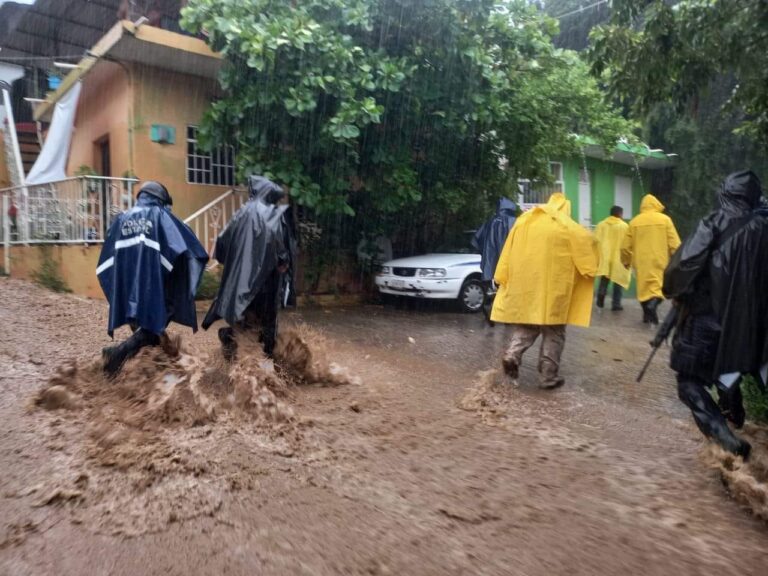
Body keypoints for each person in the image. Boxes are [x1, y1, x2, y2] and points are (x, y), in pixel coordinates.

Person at [663, 171, 768, 459]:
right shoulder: (765, 226)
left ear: (724, 193)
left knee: (688, 382)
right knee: (729, 372)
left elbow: (680, 268)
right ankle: (736, 417)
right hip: (752, 329)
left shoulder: (714, 222)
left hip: (706, 321)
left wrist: (673, 291)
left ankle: (725, 437)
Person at [97, 181, 209, 376]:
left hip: (126, 288)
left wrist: (119, 290)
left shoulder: (121, 219)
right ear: (161, 199)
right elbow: (190, 247)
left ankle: (156, 375)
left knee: (151, 334)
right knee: (151, 328)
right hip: (152, 287)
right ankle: (116, 355)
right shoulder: (160, 216)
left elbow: (106, 261)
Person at [491, 193, 598, 389]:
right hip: (554, 289)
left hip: (526, 286)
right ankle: (548, 377)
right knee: (554, 332)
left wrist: (500, 276)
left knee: (527, 326)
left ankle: (512, 354)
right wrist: (592, 267)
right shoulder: (566, 225)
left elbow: (508, 250)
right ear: (564, 208)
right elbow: (588, 250)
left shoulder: (524, 221)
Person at [202, 175, 296, 359]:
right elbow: (280, 246)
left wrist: (234, 264)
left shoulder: (241, 212)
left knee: (247, 319)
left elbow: (221, 243)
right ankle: (265, 369)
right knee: (267, 323)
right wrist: (283, 263)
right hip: (267, 281)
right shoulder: (274, 213)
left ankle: (233, 346)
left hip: (241, 282)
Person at [621, 194, 680, 324]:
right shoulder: (665, 220)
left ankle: (647, 317)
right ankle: (652, 307)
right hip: (660, 260)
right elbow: (674, 243)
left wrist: (625, 261)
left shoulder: (634, 222)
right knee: (658, 288)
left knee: (643, 290)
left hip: (641, 262)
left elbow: (625, 247)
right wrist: (678, 260)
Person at [471, 197, 517, 325]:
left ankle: (490, 306)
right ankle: (506, 316)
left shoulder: (489, 222)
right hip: (507, 261)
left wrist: (486, 252)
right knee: (508, 288)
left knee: (492, 287)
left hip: (490, 261)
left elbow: (477, 239)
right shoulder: (513, 222)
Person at [594, 205, 631, 311]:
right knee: (618, 281)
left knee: (604, 280)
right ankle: (616, 304)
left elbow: (595, 240)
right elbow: (628, 244)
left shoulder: (601, 225)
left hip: (605, 257)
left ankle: (600, 300)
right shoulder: (624, 226)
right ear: (620, 214)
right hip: (618, 259)